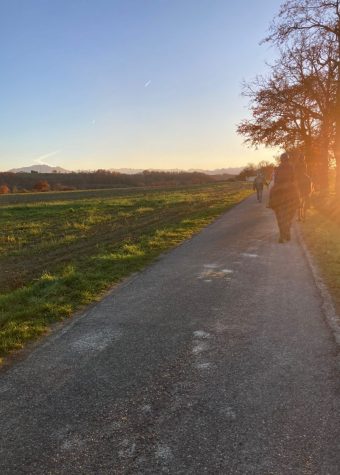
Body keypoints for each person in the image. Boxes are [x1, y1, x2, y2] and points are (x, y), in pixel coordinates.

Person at [269, 152, 300, 243]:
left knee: (271, 191)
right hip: (290, 187)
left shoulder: (277, 168)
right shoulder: (292, 167)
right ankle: (298, 203)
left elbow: (276, 180)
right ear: (288, 159)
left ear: (281, 159)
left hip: (278, 187)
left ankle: (270, 203)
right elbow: (294, 179)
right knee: (296, 195)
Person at [294, 156, 313, 221]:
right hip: (304, 176)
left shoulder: (297, 164)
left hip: (298, 177)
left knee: (299, 201)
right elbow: (305, 171)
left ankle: (299, 217)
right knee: (309, 180)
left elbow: (295, 171)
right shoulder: (304, 163)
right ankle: (304, 216)